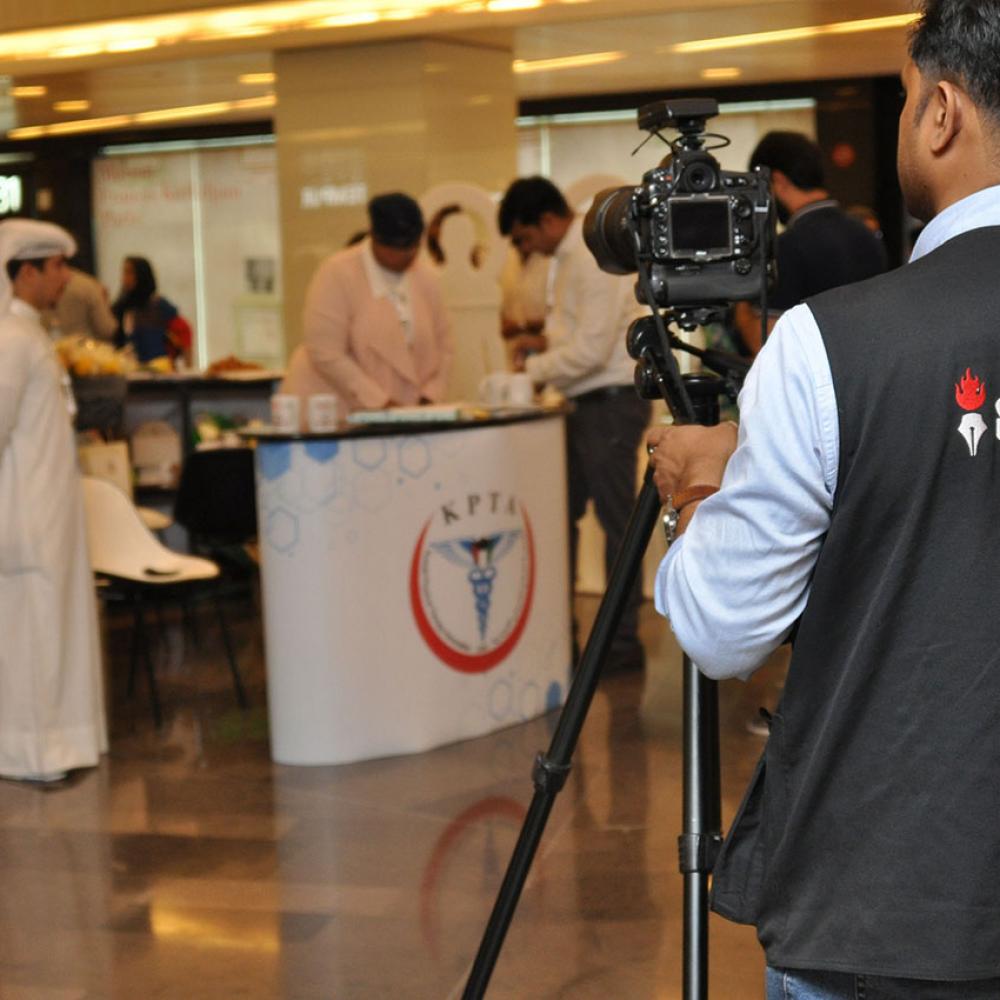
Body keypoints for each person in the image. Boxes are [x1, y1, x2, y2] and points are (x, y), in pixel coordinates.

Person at [648, 1, 1000, 994]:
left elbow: (721, 630)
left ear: (941, 111)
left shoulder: (826, 346)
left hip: (884, 906)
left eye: (904, 98)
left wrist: (699, 493)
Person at [498, 176, 649, 672]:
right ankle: (564, 635)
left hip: (608, 404)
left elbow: (592, 350)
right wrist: (540, 346)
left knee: (616, 525)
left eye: (523, 238)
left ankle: (620, 645)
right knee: (564, 517)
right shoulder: (567, 258)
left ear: (546, 220)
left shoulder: (586, 256)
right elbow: (576, 336)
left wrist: (530, 372)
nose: (526, 249)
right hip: (585, 403)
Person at [0, 218, 107, 783]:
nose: (66, 277)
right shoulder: (11, 340)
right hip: (28, 514)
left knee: (53, 628)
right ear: (25, 273)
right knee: (35, 632)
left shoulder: (28, 333)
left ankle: (60, 747)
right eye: (57, 266)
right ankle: (34, 754)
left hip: (50, 510)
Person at [282, 192, 452, 413]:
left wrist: (430, 395)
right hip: (336, 410)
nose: (405, 256)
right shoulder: (337, 273)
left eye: (412, 248)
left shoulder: (425, 278)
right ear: (374, 238)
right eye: (395, 249)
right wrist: (379, 401)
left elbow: (445, 345)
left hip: (404, 414)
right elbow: (325, 352)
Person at [735, 131, 888, 354]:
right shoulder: (867, 235)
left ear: (778, 181)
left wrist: (741, 300)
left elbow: (766, 345)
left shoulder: (787, 247)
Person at [111, 256, 189, 365]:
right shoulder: (122, 307)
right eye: (124, 272)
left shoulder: (159, 305)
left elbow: (183, 332)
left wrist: (186, 364)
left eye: (130, 273)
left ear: (141, 275)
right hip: (130, 366)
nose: (125, 278)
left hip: (157, 366)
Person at [44, 266, 117, 342]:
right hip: (86, 346)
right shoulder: (89, 286)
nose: (67, 278)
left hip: (55, 344)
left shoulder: (45, 287)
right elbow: (107, 329)